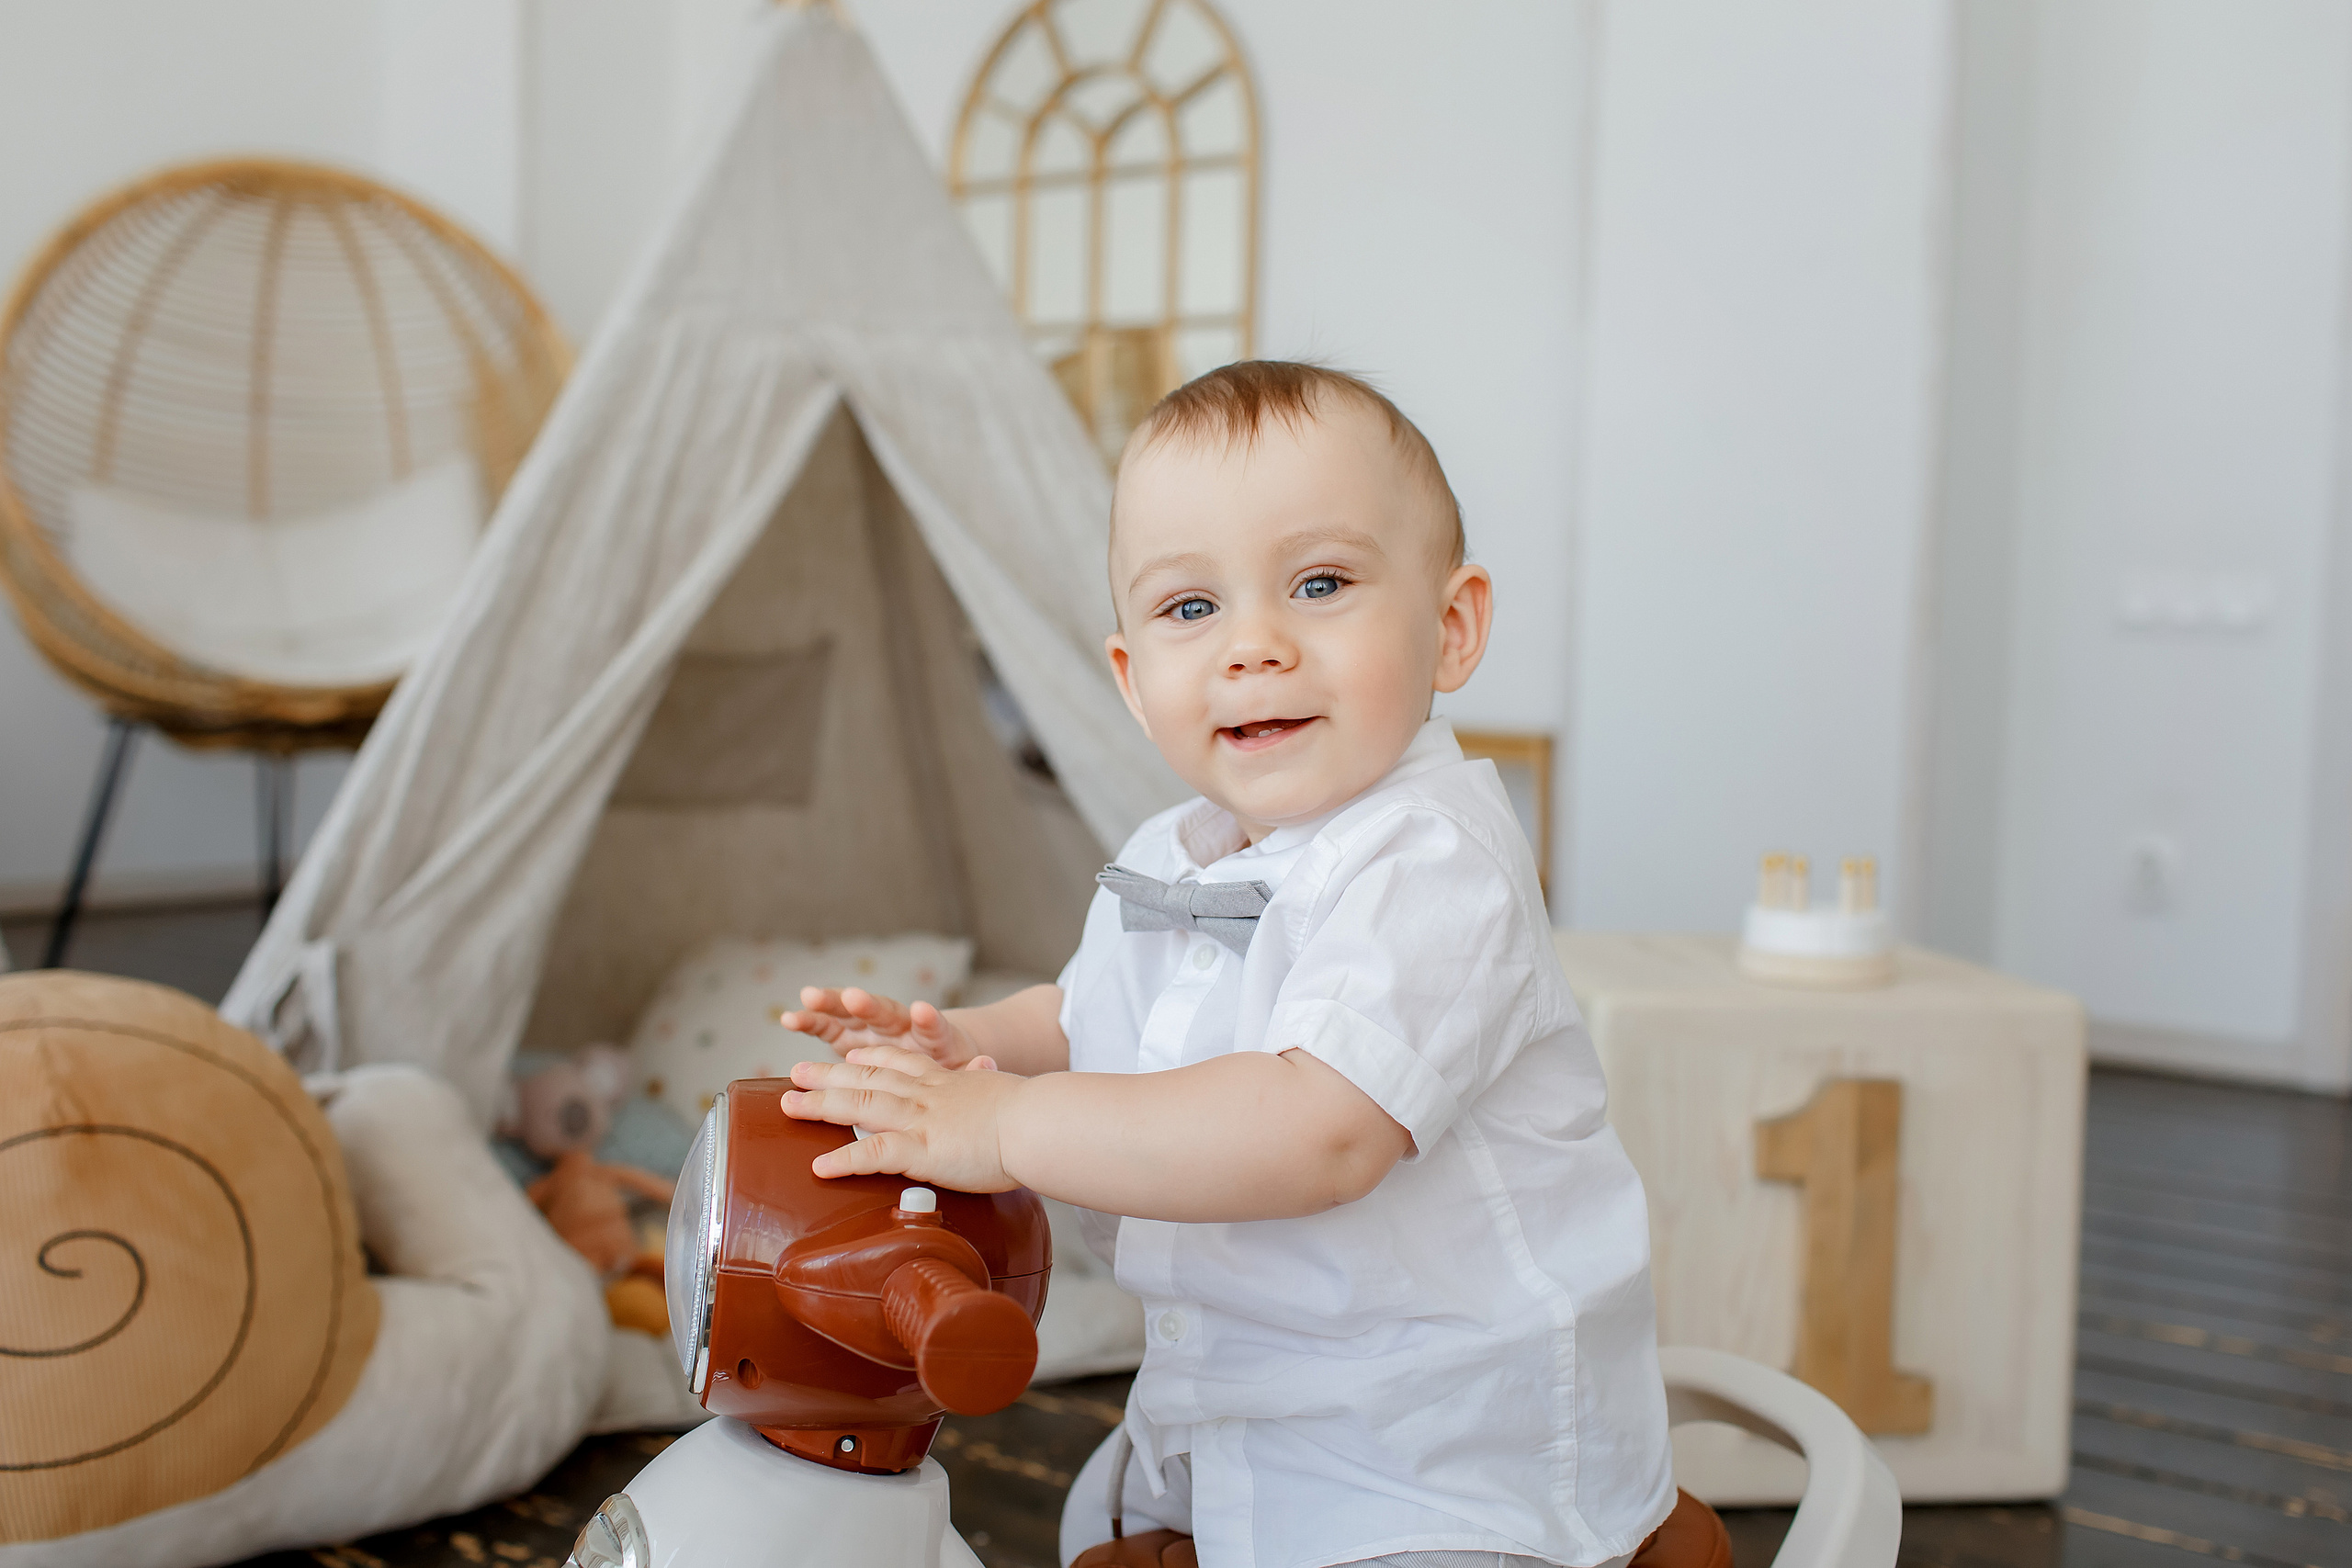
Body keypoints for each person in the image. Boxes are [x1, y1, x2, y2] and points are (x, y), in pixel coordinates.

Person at [778, 362, 1675, 1568]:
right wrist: (966, 1046)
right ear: (1132, 680)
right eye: (1190, 609)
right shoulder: (1177, 851)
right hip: (1244, 1403)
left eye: (1320, 584)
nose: (1254, 645)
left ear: (1449, 629)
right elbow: (1094, 1013)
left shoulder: (1430, 864)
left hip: (1438, 1457)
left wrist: (1003, 1125)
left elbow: (1318, 1127)